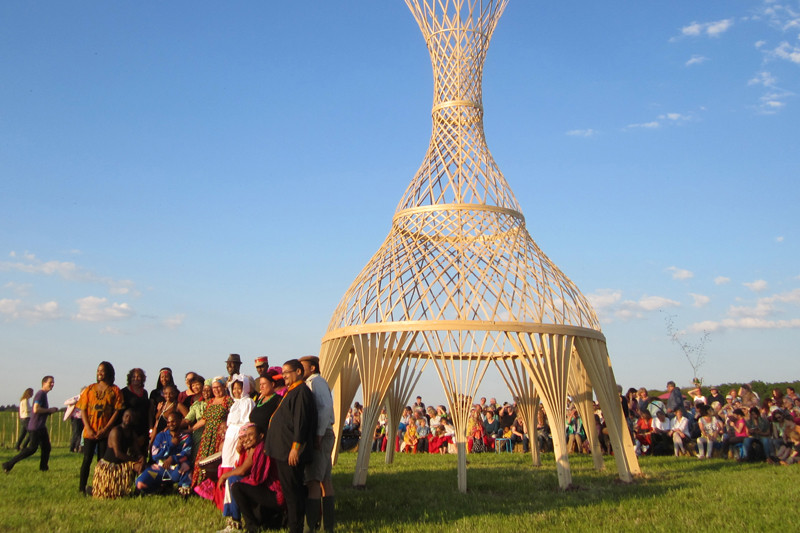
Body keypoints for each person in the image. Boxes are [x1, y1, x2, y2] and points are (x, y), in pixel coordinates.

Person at [265, 359, 317, 533]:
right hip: (283, 449)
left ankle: (296, 527)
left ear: (299, 372)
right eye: (284, 372)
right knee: (290, 491)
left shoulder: (301, 391)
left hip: (290, 450)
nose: (285, 376)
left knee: (293, 492)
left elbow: (300, 422)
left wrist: (295, 447)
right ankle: (293, 523)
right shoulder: (292, 391)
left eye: (288, 372)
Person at [299, 355, 336, 533]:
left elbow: (326, 407)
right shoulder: (314, 382)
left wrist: (318, 435)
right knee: (324, 481)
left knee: (314, 481)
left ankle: (310, 528)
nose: (300, 370)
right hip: (325, 432)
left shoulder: (317, 382)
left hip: (321, 434)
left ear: (313, 368)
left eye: (303, 367)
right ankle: (327, 527)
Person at [228, 424, 285, 533]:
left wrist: (241, 482)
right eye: (246, 435)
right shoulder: (258, 449)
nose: (248, 438)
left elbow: (257, 479)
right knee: (239, 485)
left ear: (261, 436)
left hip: (276, 494)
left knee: (237, 488)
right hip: (271, 491)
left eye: (251, 435)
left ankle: (251, 527)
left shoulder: (262, 449)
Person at [78, 362, 124, 494]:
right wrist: (88, 428)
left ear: (109, 372)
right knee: (86, 459)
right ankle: (81, 488)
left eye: (103, 371)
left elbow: (117, 411)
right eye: (98, 371)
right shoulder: (90, 389)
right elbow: (83, 409)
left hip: (105, 432)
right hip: (90, 431)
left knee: (102, 461)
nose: (100, 373)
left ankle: (99, 487)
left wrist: (106, 429)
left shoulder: (115, 391)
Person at [3, 376, 58, 474]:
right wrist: (49, 410)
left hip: (41, 426)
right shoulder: (40, 394)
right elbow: (36, 409)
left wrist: (49, 411)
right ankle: (8, 464)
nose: (52, 384)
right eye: (50, 382)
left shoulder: (44, 395)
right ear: (44, 383)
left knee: (46, 447)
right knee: (32, 449)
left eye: (53, 382)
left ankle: (43, 468)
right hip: (36, 427)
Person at [91, 409, 145, 499]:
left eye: (131, 417)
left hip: (122, 463)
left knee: (140, 467)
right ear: (122, 417)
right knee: (108, 495)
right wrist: (135, 460)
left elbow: (137, 450)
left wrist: (141, 457)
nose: (128, 419)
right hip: (110, 465)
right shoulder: (116, 431)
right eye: (126, 416)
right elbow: (118, 453)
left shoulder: (132, 433)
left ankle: (138, 491)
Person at [136, 411, 193, 495]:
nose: (170, 424)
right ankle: (159, 489)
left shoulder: (186, 437)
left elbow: (186, 454)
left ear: (180, 421)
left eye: (173, 421)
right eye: (168, 422)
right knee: (140, 484)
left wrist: (172, 458)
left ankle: (183, 491)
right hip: (159, 469)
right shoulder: (161, 436)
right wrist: (171, 444)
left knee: (186, 465)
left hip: (176, 469)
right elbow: (155, 455)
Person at [191, 376, 234, 489]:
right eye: (213, 388)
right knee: (203, 460)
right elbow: (204, 420)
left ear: (224, 387)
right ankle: (201, 486)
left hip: (220, 436)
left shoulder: (228, 401)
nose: (216, 390)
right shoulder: (210, 402)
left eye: (218, 387)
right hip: (207, 436)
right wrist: (191, 429)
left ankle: (214, 488)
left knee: (215, 462)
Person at [121, 368, 151, 456]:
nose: (136, 378)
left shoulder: (145, 392)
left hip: (142, 427)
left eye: (139, 376)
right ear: (130, 378)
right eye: (134, 376)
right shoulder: (124, 392)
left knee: (141, 454)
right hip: (129, 426)